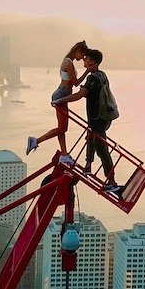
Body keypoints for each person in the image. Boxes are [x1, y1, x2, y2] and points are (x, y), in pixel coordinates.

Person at [55, 49, 118, 192]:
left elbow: (80, 94)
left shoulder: (92, 78)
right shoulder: (102, 75)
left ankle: (112, 181)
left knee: (102, 149)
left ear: (92, 62)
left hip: (97, 118)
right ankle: (88, 166)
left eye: (86, 58)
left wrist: (61, 100)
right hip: (102, 118)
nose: (83, 60)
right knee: (90, 138)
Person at [27, 40, 88, 155]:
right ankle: (35, 141)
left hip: (63, 94)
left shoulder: (68, 62)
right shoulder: (68, 63)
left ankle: (64, 153)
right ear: (77, 51)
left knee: (62, 128)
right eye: (82, 55)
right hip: (62, 95)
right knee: (62, 128)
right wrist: (87, 72)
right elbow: (75, 83)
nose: (82, 58)